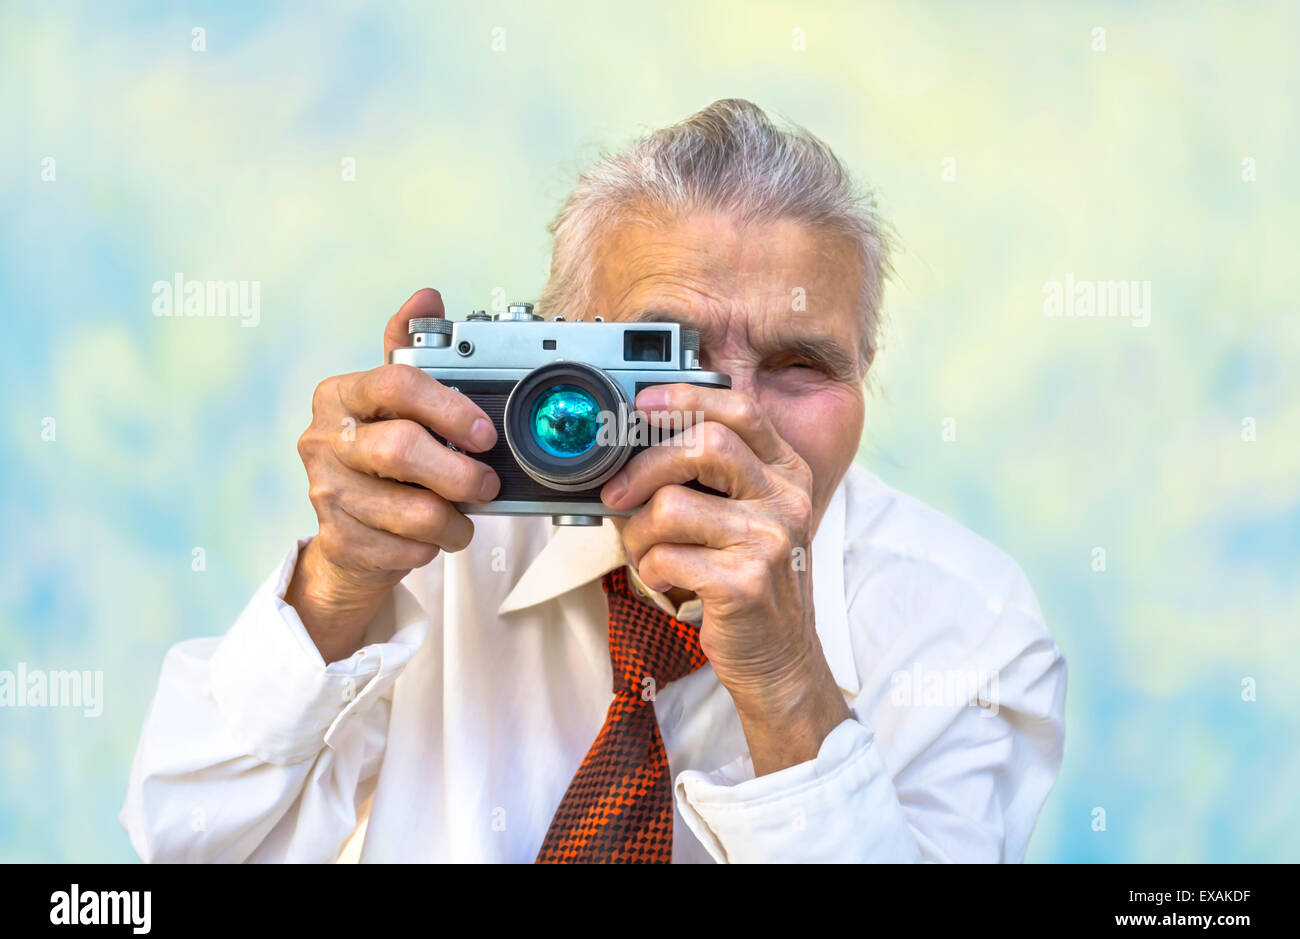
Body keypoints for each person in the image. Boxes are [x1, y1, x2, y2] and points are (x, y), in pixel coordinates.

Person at [121, 99, 1066, 863]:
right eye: (665, 352)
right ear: (559, 350)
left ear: (866, 377)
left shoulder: (966, 622)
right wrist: (333, 588)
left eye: (800, 366)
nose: (726, 414)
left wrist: (784, 685)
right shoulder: (434, 529)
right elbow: (188, 848)